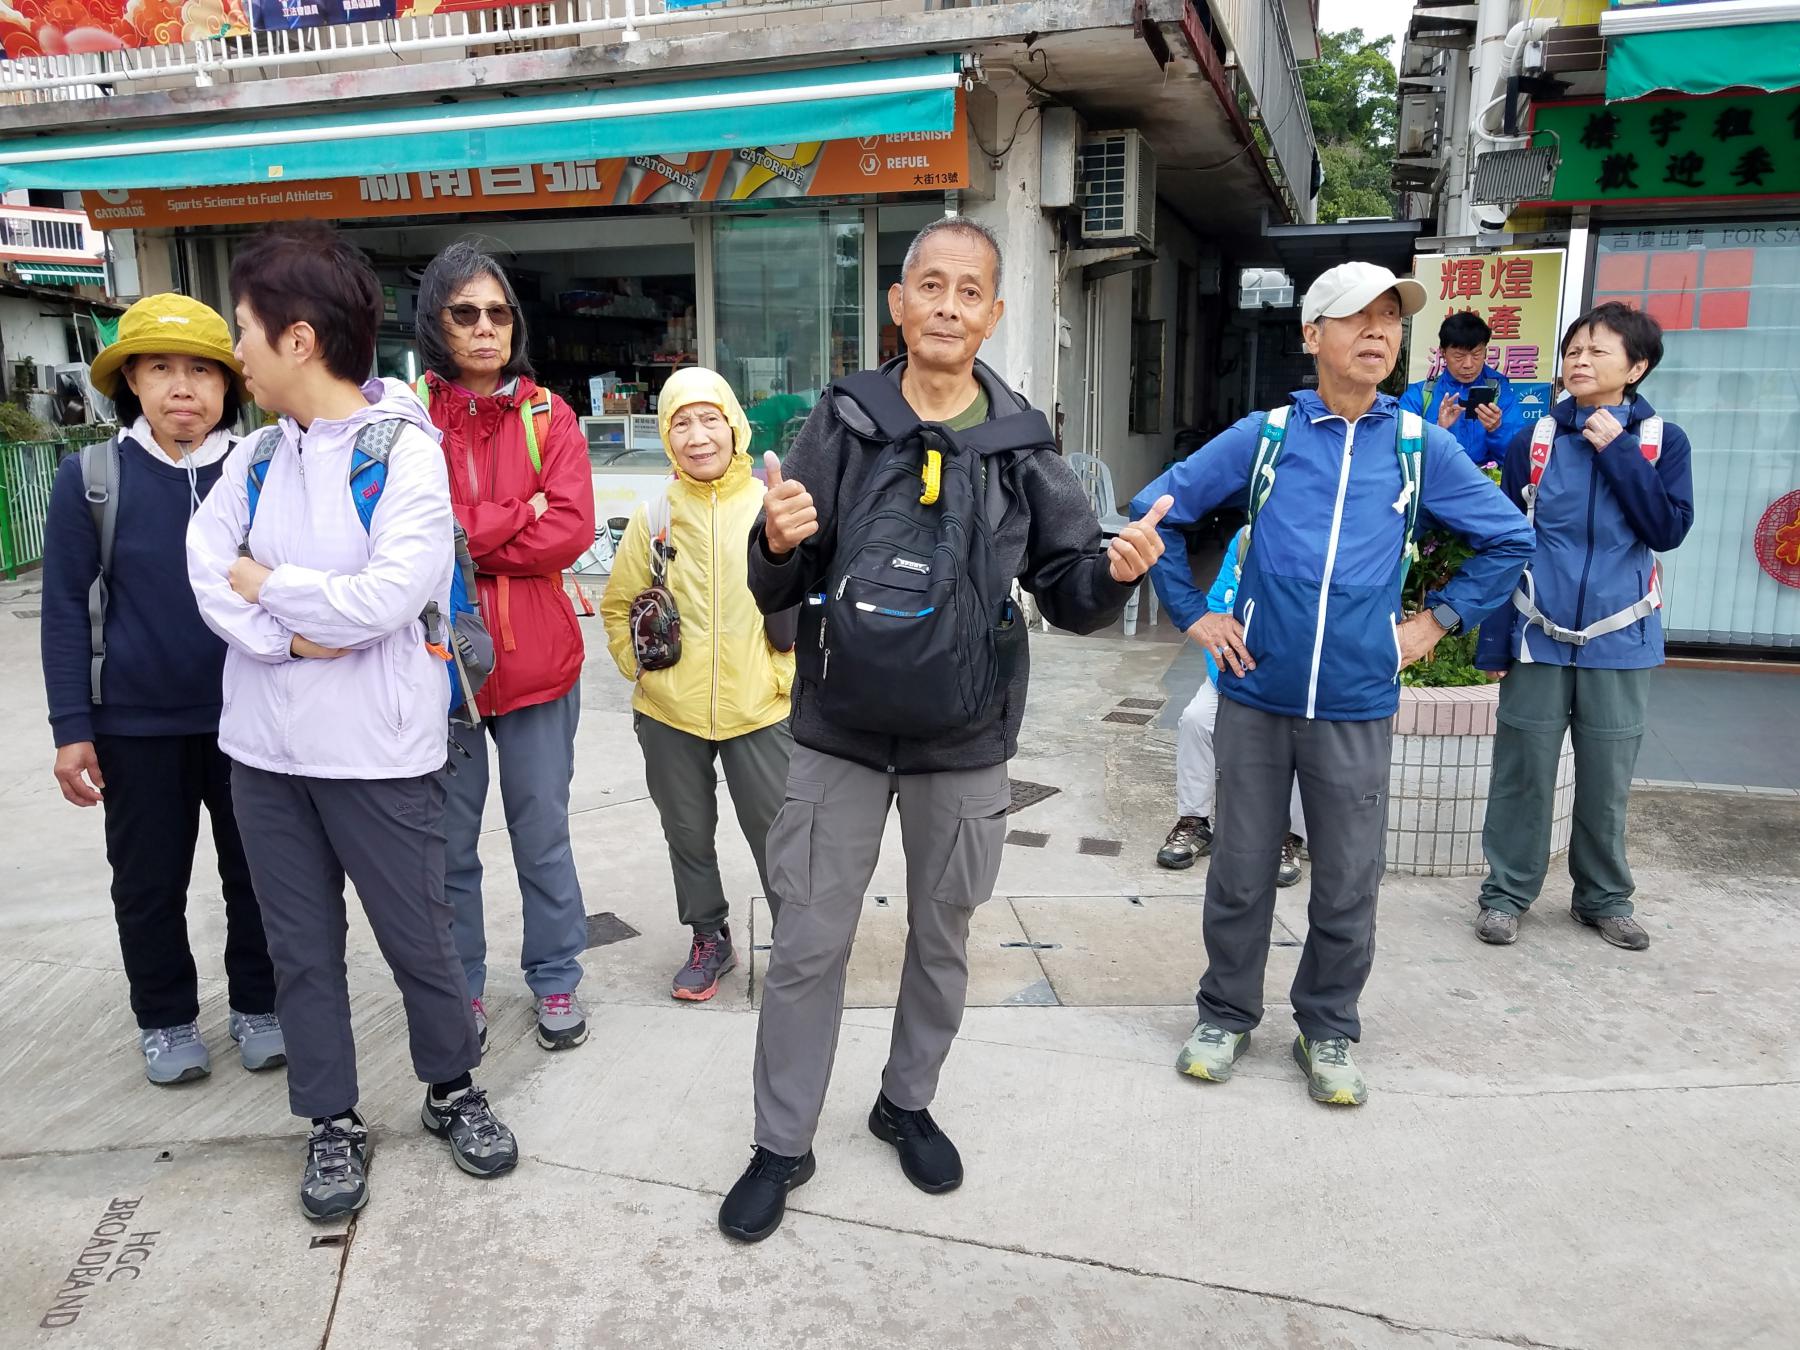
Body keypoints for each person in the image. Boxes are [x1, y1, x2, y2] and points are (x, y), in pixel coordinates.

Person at [716, 217, 1172, 1243]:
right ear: (898, 302)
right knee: (808, 941)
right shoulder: (845, 418)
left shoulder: (1020, 442)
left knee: (943, 935)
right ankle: (781, 1142)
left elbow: (1067, 586)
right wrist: (774, 542)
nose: (949, 307)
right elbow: (782, 570)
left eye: (970, 292)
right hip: (838, 726)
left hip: (963, 737)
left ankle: (905, 1102)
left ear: (994, 314)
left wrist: (1112, 572)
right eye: (931, 286)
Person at [1132, 261, 1534, 1107]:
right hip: (1255, 693)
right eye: (1358, 316)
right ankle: (1225, 1014)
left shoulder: (1419, 445)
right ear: (1313, 334)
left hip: (1356, 701)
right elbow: (1156, 511)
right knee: (1239, 872)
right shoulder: (1268, 437)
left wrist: (1435, 623)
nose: (1379, 330)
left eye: (1391, 317)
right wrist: (1195, 616)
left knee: (1349, 879)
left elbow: (1509, 537)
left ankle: (1327, 1027)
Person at [187, 223, 517, 1221]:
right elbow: (208, 570)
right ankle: (330, 1118)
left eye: (243, 330)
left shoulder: (403, 453)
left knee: (420, 936)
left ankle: (452, 1087)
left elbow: (384, 598)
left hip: (378, 752)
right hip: (264, 754)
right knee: (300, 950)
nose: (234, 352)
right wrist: (292, 635)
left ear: (297, 339)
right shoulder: (252, 457)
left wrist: (269, 585)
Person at [39, 293, 284, 1086]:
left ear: (230, 385)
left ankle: (260, 1004)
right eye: (160, 369)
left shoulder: (263, 470)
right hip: (135, 724)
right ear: (131, 384)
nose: (183, 387)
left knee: (259, 874)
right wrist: (72, 728)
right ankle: (166, 1017)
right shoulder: (92, 478)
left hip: (251, 715)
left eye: (202, 371)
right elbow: (65, 610)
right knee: (148, 882)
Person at [413, 242, 597, 1054]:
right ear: (436, 321)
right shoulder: (405, 418)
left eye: (498, 313)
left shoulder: (551, 418)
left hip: (536, 667)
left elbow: (571, 531)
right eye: (465, 313)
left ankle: (556, 975)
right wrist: (520, 513)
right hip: (439, 668)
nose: (485, 328)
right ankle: (463, 985)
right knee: (448, 847)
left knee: (541, 834)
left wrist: (462, 537)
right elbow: (406, 534)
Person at [1472, 303, 1693, 951]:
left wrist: (1618, 450)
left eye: (1598, 351)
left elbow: (1666, 529)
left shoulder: (1662, 443)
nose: (1580, 361)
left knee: (1606, 779)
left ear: (1637, 367)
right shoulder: (1534, 441)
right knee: (1522, 774)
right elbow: (1508, 543)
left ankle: (1603, 898)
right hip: (1538, 634)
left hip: (1621, 640)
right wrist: (1495, 639)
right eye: (1573, 350)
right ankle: (1505, 895)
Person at [600, 368, 794, 1001]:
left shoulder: (768, 506)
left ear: (734, 426)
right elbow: (617, 604)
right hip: (670, 712)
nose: (697, 435)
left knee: (780, 836)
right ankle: (710, 936)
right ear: (667, 435)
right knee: (686, 834)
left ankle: (798, 943)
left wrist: (783, 676)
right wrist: (640, 671)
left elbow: (812, 599)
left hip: (760, 708)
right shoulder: (655, 514)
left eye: (710, 419)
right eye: (681, 422)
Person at [1157, 526, 1306, 888]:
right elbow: (1216, 610)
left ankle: (1289, 837)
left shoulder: (1317, 545)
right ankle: (1195, 821)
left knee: (1305, 736)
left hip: (1295, 686)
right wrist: (1228, 669)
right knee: (1195, 719)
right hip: (1235, 676)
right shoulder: (1246, 539)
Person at [1400, 310, 1525, 467]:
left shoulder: (1500, 394)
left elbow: (1516, 459)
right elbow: (1403, 454)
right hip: (1437, 481)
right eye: (1459, 356)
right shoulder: (1420, 395)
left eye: (1476, 354)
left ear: (1485, 351)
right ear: (1443, 353)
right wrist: (1438, 430)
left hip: (1484, 481)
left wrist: (1497, 430)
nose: (1468, 364)